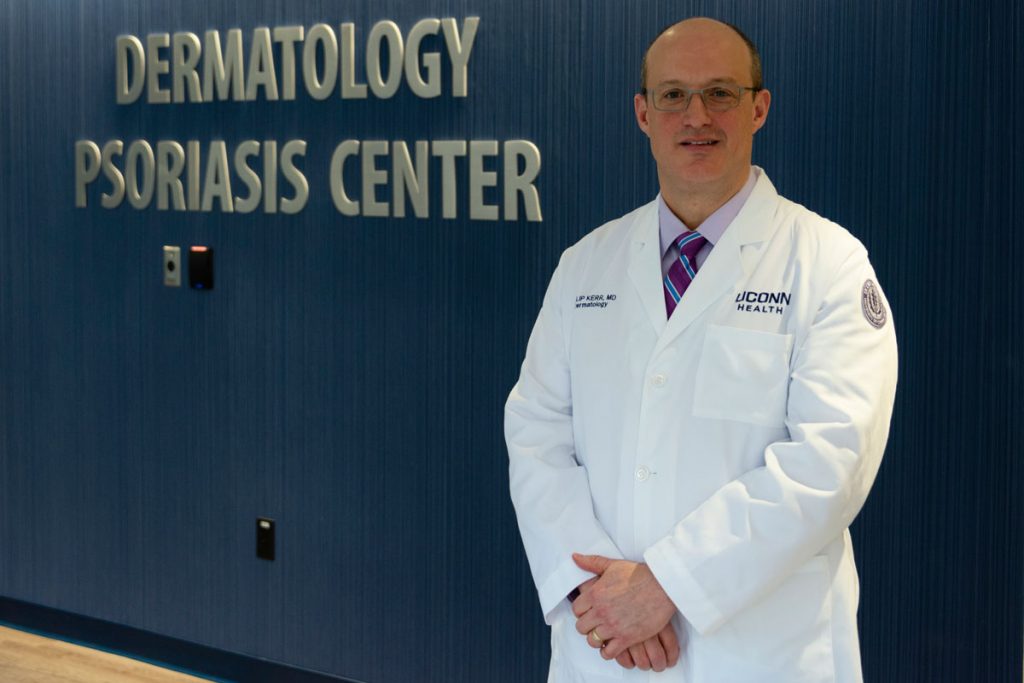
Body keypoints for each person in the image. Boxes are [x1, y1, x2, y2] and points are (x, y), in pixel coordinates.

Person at [504, 17, 898, 683]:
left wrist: (668, 584)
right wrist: (591, 594)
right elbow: (537, 431)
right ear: (642, 113)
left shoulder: (828, 262)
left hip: (764, 654)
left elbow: (830, 461)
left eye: (720, 93)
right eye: (673, 95)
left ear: (758, 107)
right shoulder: (586, 267)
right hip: (606, 646)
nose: (697, 116)